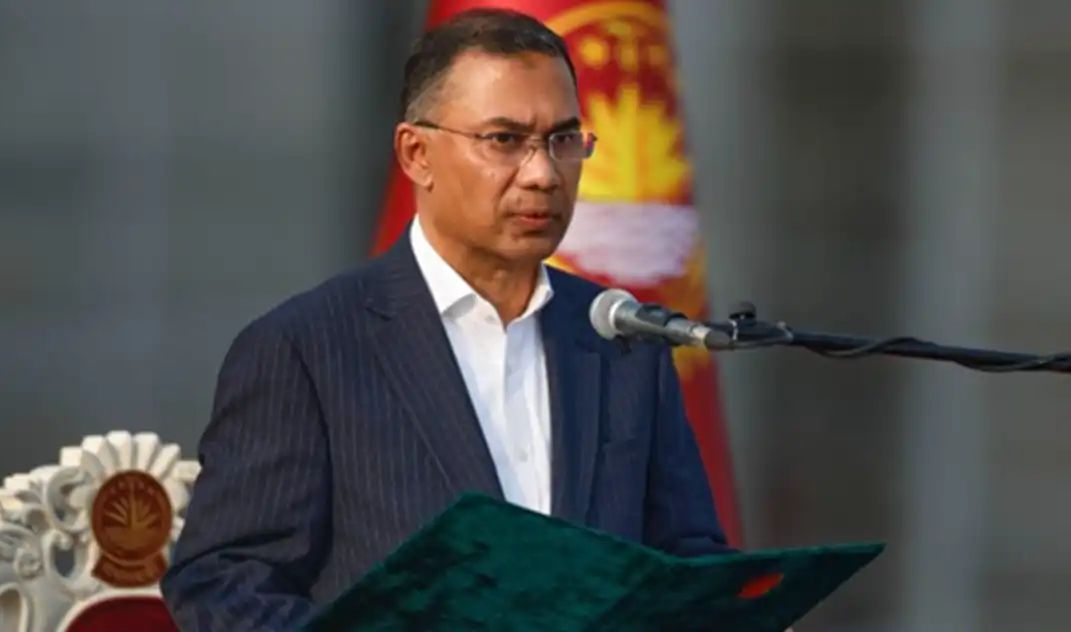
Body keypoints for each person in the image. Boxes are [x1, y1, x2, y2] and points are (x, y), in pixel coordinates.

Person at [161, 8, 728, 631]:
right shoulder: (306, 349)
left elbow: (688, 564)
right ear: (417, 153)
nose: (543, 174)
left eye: (564, 140)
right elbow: (225, 583)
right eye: (505, 140)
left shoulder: (622, 340)